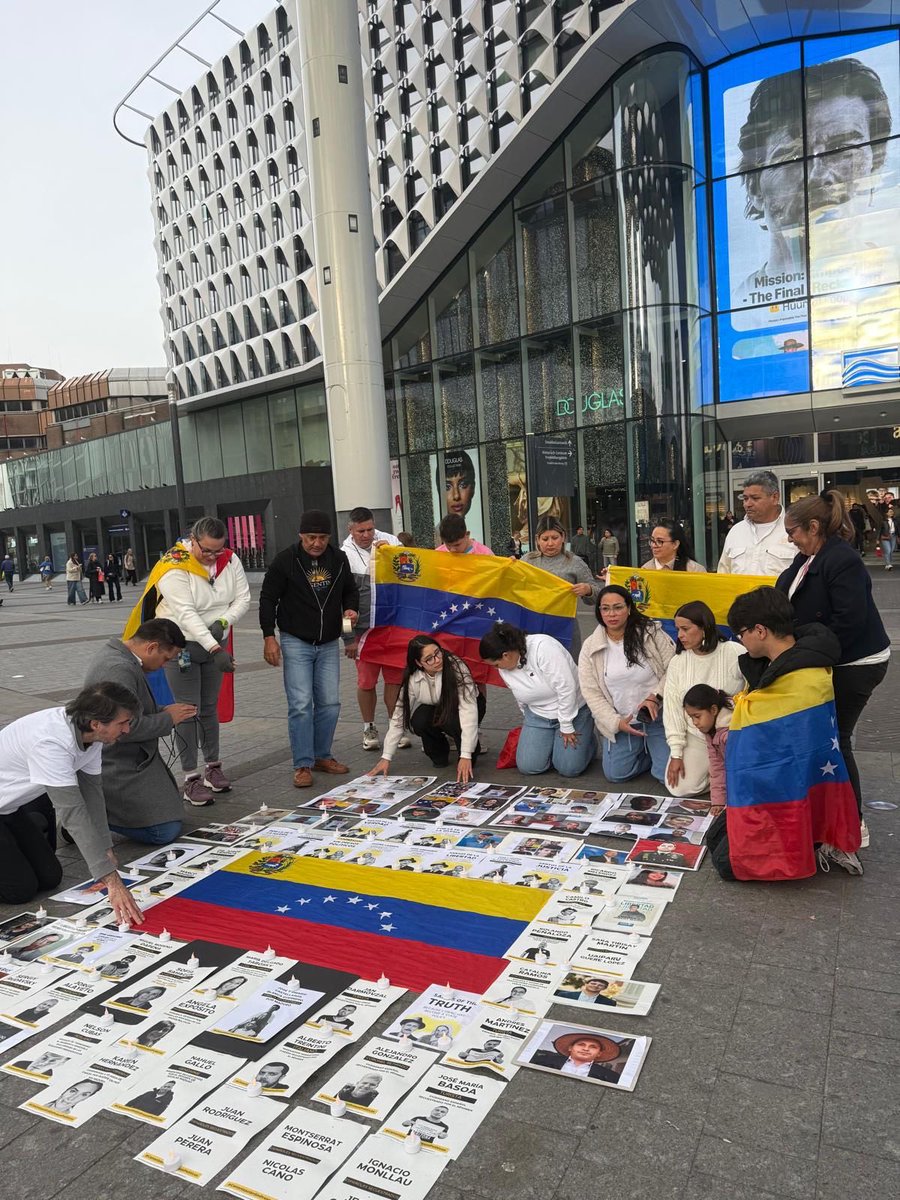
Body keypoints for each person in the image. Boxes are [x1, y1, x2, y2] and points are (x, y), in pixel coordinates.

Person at [711, 586, 863, 881]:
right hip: (775, 782)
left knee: (728, 864)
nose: (740, 642)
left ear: (760, 630)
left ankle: (812, 839)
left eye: (741, 633)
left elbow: (775, 736)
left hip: (787, 789)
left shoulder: (807, 677)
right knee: (715, 839)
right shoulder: (772, 664)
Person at [775, 489, 890, 830]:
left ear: (813, 527)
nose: (789, 541)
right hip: (834, 655)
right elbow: (785, 591)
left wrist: (803, 652)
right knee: (830, 737)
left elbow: (849, 621)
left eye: (792, 534)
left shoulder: (842, 559)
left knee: (835, 738)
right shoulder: (810, 556)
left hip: (857, 662)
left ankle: (854, 823)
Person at [125, 516, 251, 806]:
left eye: (218, 551)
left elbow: (242, 599)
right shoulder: (174, 565)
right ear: (192, 540)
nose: (211, 557)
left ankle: (213, 767)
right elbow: (186, 613)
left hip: (215, 639)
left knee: (209, 707)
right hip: (181, 645)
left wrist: (224, 620)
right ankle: (190, 778)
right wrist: (214, 649)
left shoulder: (230, 561)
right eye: (206, 550)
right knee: (187, 710)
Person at [0, 684, 143, 926]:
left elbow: (92, 794)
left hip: (10, 808)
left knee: (50, 877)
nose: (127, 729)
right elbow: (72, 812)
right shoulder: (50, 743)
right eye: (123, 723)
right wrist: (111, 880)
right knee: (20, 891)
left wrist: (104, 848)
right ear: (97, 723)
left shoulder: (92, 735)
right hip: (8, 805)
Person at [260, 510, 359, 788]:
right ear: (301, 535)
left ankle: (322, 756)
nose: (317, 543)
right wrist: (269, 637)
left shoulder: (338, 559)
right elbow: (268, 599)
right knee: (301, 705)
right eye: (311, 537)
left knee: (330, 703)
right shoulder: (285, 560)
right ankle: (302, 764)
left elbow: (348, 594)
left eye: (323, 538)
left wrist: (348, 632)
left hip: (328, 643)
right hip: (296, 641)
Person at [83, 619, 196, 841]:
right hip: (116, 762)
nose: (163, 665)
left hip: (131, 758)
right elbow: (125, 727)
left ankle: (94, 815)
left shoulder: (124, 659)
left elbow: (132, 712)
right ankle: (90, 818)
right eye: (165, 658)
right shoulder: (118, 668)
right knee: (162, 831)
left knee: (171, 815)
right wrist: (168, 718)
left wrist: (165, 710)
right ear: (151, 647)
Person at [578, 585, 675, 784]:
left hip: (657, 715)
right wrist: (615, 723)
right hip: (623, 720)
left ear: (629, 608)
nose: (611, 614)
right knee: (616, 774)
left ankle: (655, 751)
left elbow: (674, 668)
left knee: (667, 777)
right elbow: (591, 693)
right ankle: (645, 753)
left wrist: (655, 697)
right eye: (605, 609)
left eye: (618, 607)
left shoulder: (651, 632)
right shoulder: (590, 646)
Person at [479, 622, 596, 777]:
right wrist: (528, 722)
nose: (496, 669)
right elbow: (518, 695)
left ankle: (589, 742)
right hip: (537, 715)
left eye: (496, 664)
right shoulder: (505, 666)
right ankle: (555, 745)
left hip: (573, 710)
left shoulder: (543, 647)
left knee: (569, 769)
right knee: (529, 766)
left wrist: (566, 725)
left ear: (506, 655)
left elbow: (566, 688)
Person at [369, 635, 483, 782]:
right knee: (419, 720)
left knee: (454, 722)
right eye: (429, 659)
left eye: (437, 653)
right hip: (437, 706)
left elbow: (468, 711)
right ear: (418, 663)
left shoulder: (456, 667)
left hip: (468, 705)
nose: (437, 660)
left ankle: (471, 748)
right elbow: (399, 716)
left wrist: (466, 755)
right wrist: (386, 757)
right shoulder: (412, 677)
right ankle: (439, 754)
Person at [662, 601, 744, 795]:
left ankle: (723, 775)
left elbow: (754, 691)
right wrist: (676, 753)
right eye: (677, 629)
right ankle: (719, 775)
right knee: (679, 788)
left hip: (732, 735)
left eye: (685, 629)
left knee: (746, 785)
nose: (680, 635)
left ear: (704, 627)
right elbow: (673, 709)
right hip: (697, 736)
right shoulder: (678, 662)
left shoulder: (734, 651)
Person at [340, 506, 404, 753]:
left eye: (370, 529)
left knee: (395, 679)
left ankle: (396, 726)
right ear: (350, 530)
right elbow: (341, 602)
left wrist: (390, 558)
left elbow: (409, 576)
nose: (367, 535)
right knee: (366, 681)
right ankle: (369, 727)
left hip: (391, 625)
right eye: (361, 531)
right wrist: (347, 637)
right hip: (362, 632)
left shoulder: (391, 541)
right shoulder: (343, 555)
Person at [522, 517, 600, 658]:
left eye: (555, 538)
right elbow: (512, 589)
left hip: (565, 628)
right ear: (537, 539)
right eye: (545, 539)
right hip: (532, 628)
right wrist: (510, 568)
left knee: (567, 672)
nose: (550, 543)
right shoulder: (527, 561)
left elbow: (597, 596)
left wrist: (588, 590)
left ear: (563, 537)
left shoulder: (575, 563)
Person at [717, 470, 793, 575]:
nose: (747, 504)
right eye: (745, 498)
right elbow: (723, 573)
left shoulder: (794, 530)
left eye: (755, 498)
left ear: (775, 497)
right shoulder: (736, 531)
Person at [682, 684, 733, 810]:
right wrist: (718, 801)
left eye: (697, 716)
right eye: (691, 717)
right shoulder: (711, 730)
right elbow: (716, 765)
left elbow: (743, 770)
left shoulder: (731, 733)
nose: (694, 722)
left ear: (714, 710)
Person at [530, 1032, 623, 1082]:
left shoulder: (612, 1077)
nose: (586, 1049)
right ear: (571, 1048)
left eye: (593, 1047)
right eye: (581, 1044)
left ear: (599, 1053)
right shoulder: (540, 1061)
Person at [441, 448, 477, 522]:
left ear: (473, 489)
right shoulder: (438, 531)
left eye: (463, 485)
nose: (456, 496)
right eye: (447, 487)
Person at [554, 976, 618, 1006]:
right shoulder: (564, 995)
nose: (596, 986)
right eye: (593, 983)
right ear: (586, 984)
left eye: (600, 985)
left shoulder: (610, 1003)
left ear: (604, 988)